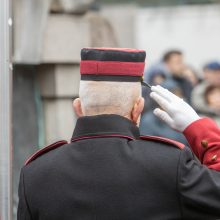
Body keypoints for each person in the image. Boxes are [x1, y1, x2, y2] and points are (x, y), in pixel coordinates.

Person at [18, 48, 220, 220]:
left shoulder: (35, 173)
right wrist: (198, 127)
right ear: (137, 109)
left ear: (78, 108)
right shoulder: (170, 164)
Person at [140, 78, 188, 145]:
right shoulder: (149, 120)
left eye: (179, 95)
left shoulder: (183, 117)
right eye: (173, 95)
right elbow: (145, 146)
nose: (177, 99)